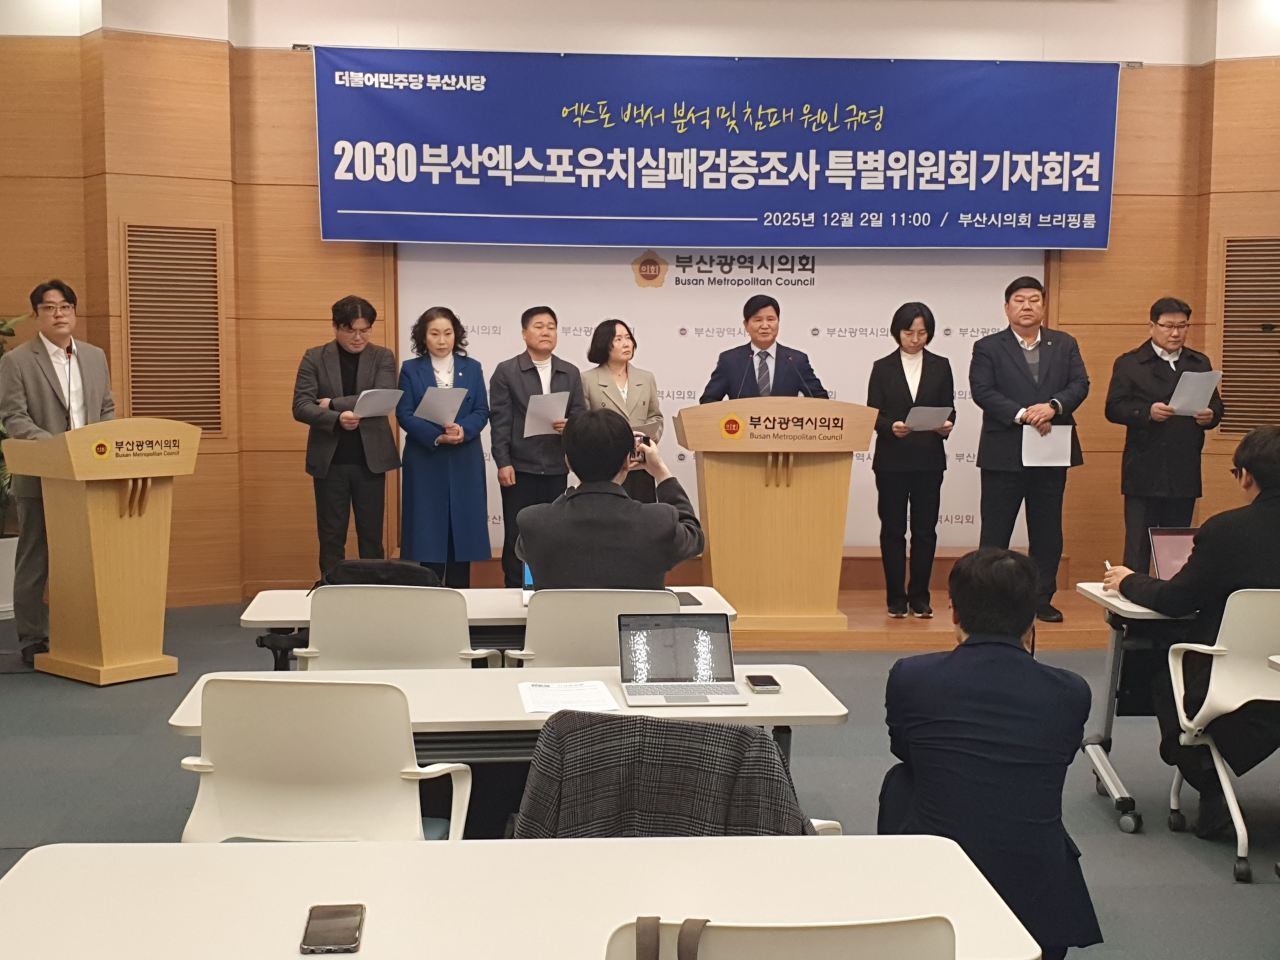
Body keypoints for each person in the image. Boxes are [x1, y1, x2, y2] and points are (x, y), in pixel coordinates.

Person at [879, 547, 1102, 960]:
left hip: (937, 882)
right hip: (1039, 899)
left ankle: (899, 896)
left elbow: (905, 749)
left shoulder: (912, 676)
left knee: (902, 781)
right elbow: (1056, 755)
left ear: (954, 612)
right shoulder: (1071, 691)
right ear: (1032, 618)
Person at [1102, 426, 1280, 839]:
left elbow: (1176, 599)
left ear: (1247, 476)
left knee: (1167, 684)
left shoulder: (1226, 530)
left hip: (1228, 677)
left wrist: (1128, 580)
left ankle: (1211, 787)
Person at [0, 280, 115, 665]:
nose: (59, 314)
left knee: (88, 558)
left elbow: (107, 408)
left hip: (90, 476)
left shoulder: (95, 357)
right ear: (37, 315)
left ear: (74, 313)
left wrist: (99, 446)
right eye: (49, 308)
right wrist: (57, 449)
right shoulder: (17, 361)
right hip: (42, 475)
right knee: (36, 557)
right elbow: (14, 417)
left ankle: (85, 632)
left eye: (65, 306)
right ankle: (32, 637)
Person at [970, 276, 1089, 622]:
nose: (1027, 306)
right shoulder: (988, 347)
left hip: (1050, 449)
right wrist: (1024, 414)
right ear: (1007, 307)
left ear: (1044, 306)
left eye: (1034, 300)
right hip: (1004, 452)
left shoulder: (1064, 344)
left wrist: (1053, 406)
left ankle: (1041, 598)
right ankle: (989, 600)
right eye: (1019, 300)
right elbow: (982, 391)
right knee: (996, 533)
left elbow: (1080, 384)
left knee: (1047, 531)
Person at [516, 408, 704, 590]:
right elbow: (694, 535)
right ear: (627, 461)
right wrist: (662, 473)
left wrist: (570, 493)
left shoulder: (534, 523)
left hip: (562, 615)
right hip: (635, 614)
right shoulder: (658, 522)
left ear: (568, 462)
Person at [1104, 296, 1223, 573]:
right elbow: (1114, 408)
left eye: (1182, 326)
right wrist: (1147, 412)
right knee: (1138, 546)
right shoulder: (1131, 363)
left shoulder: (1198, 362)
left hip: (1183, 466)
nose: (1175, 333)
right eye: (1168, 326)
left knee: (1177, 547)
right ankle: (1131, 594)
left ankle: (1173, 594)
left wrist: (1211, 416)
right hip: (1144, 467)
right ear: (1152, 326)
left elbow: (1217, 405)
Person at [292, 295, 399, 577]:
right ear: (336, 326)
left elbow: (383, 397)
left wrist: (333, 404)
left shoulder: (382, 357)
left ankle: (373, 593)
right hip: (330, 462)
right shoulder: (315, 357)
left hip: (370, 461)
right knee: (331, 537)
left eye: (365, 330)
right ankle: (331, 592)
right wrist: (337, 418)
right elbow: (301, 406)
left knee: (372, 538)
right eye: (351, 330)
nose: (358, 337)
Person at [866, 302, 956, 619]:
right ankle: (896, 597)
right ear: (897, 332)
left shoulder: (941, 366)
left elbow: (950, 408)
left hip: (928, 459)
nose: (915, 339)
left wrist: (947, 425)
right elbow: (873, 413)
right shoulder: (882, 367)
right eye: (909, 332)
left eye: (922, 333)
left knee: (925, 531)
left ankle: (920, 596)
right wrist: (890, 426)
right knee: (893, 530)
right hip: (892, 460)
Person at [489, 306, 587, 587]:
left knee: (554, 532)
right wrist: (503, 462)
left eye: (551, 327)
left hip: (556, 465)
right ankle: (515, 588)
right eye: (539, 326)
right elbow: (500, 421)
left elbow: (580, 414)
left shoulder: (570, 372)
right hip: (520, 467)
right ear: (524, 333)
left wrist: (571, 425)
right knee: (518, 532)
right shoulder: (507, 371)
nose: (546, 332)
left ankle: (550, 587)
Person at [396, 307, 490, 587]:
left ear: (456, 335)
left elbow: (482, 410)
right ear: (423, 337)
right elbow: (404, 413)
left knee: (462, 533)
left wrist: (464, 430)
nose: (441, 340)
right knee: (428, 534)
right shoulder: (411, 369)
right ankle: (429, 598)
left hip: (464, 458)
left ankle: (462, 597)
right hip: (426, 458)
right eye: (434, 334)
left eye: (447, 333)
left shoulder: (472, 367)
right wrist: (436, 436)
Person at [581, 318, 664, 502]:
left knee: (642, 515)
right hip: (606, 468)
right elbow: (585, 424)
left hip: (640, 464)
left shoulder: (646, 378)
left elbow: (655, 417)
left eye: (628, 337)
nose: (626, 343)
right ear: (604, 343)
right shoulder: (588, 379)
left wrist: (646, 441)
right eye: (618, 339)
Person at [698, 294, 828, 403]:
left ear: (778, 322)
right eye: (758, 320)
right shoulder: (730, 360)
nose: (765, 326)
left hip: (783, 426)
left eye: (771, 319)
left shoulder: (796, 360)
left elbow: (821, 400)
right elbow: (708, 401)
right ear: (746, 325)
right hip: (742, 425)